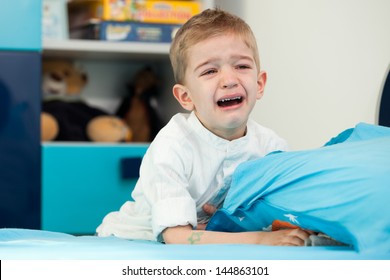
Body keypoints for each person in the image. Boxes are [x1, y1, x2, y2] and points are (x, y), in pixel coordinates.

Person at [96, 8, 310, 246]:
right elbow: (177, 237)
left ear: (259, 84)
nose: (229, 80)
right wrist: (259, 238)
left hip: (216, 238)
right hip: (137, 240)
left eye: (241, 66)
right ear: (186, 97)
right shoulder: (172, 146)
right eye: (210, 71)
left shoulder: (272, 147)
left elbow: (285, 213)